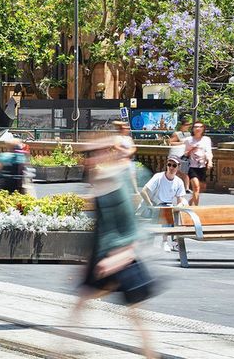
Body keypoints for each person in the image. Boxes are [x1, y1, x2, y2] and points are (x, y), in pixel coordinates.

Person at [74, 137, 157, 358]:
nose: (88, 160)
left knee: (134, 313)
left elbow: (130, 225)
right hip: (106, 256)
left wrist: (120, 256)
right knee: (84, 302)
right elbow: (101, 226)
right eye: (87, 156)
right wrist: (88, 259)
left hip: (120, 257)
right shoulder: (101, 179)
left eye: (94, 154)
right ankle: (61, 351)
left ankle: (150, 354)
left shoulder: (117, 178)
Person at [142, 157, 189, 252]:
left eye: (174, 165)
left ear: (178, 167)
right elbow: (143, 192)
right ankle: (165, 242)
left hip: (166, 207)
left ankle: (175, 242)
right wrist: (151, 206)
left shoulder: (179, 182)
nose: (171, 167)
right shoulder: (158, 177)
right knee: (167, 211)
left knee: (175, 212)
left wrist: (180, 205)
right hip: (152, 206)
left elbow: (180, 200)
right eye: (169, 165)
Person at [185, 121, 213, 205]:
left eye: (200, 127)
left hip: (202, 166)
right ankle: (196, 208)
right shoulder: (188, 140)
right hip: (192, 166)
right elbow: (185, 154)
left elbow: (209, 152)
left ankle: (191, 201)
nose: (198, 129)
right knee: (196, 187)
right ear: (193, 129)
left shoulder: (206, 139)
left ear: (203, 129)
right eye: (196, 127)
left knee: (202, 187)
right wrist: (191, 149)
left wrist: (210, 161)